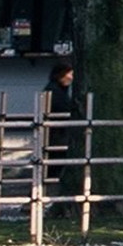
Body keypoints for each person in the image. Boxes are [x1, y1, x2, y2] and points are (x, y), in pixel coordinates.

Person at [41, 62, 81, 204]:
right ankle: (44, 196)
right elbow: (62, 110)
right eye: (69, 74)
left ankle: (45, 196)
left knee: (52, 168)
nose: (71, 77)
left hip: (57, 134)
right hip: (57, 135)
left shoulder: (54, 90)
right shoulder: (55, 92)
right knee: (53, 168)